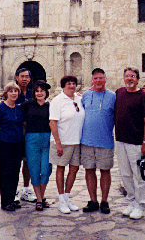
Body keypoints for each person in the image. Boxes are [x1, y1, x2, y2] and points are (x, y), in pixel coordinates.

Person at [115, 67, 145, 220]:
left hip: (137, 142)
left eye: (132, 76)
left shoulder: (143, 96)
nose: (129, 79)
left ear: (138, 79)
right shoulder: (119, 93)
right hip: (121, 140)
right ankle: (131, 202)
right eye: (127, 76)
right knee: (125, 174)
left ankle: (141, 205)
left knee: (140, 175)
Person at [80, 68, 116, 214]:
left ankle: (104, 201)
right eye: (95, 78)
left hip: (105, 141)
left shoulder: (113, 96)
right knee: (89, 170)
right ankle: (93, 200)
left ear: (105, 79)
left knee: (105, 171)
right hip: (87, 141)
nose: (98, 81)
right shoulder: (85, 95)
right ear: (92, 80)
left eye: (101, 78)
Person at [49, 75, 85, 214]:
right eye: (69, 83)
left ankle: (67, 196)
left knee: (74, 169)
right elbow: (53, 122)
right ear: (63, 85)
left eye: (73, 83)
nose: (71, 86)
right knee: (61, 169)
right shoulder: (58, 101)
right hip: (63, 141)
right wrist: (58, 143)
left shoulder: (79, 99)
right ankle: (61, 200)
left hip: (77, 140)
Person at [0, 82, 25, 211]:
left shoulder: (19, 108)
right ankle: (5, 202)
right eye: (11, 91)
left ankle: (12, 198)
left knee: (15, 172)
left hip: (18, 143)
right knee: (5, 172)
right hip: (5, 143)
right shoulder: (0, 108)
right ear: (6, 93)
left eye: (15, 91)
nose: (13, 93)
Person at [21, 80, 53, 211]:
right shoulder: (27, 105)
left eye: (42, 91)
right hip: (32, 139)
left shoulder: (50, 106)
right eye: (37, 91)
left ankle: (42, 195)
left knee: (46, 170)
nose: (40, 93)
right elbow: (13, 108)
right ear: (34, 93)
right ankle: (39, 199)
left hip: (46, 139)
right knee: (34, 169)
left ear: (46, 93)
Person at [14, 68, 37, 203]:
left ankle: (26, 189)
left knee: (28, 162)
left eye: (27, 77)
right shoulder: (13, 92)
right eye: (22, 76)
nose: (24, 79)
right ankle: (14, 190)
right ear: (17, 77)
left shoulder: (31, 93)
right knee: (16, 162)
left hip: (29, 132)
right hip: (16, 132)